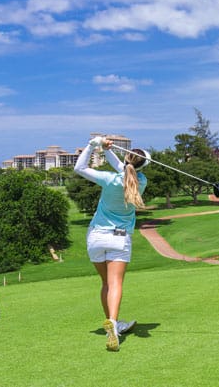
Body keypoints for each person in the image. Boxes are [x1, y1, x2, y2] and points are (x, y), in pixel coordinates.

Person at [74, 136, 149, 351]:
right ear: (143, 166)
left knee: (106, 283)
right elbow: (124, 169)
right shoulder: (141, 181)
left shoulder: (108, 179)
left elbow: (80, 167)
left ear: (127, 160)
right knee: (115, 283)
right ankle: (114, 324)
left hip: (96, 237)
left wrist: (92, 145)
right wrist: (106, 149)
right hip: (119, 238)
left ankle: (112, 324)